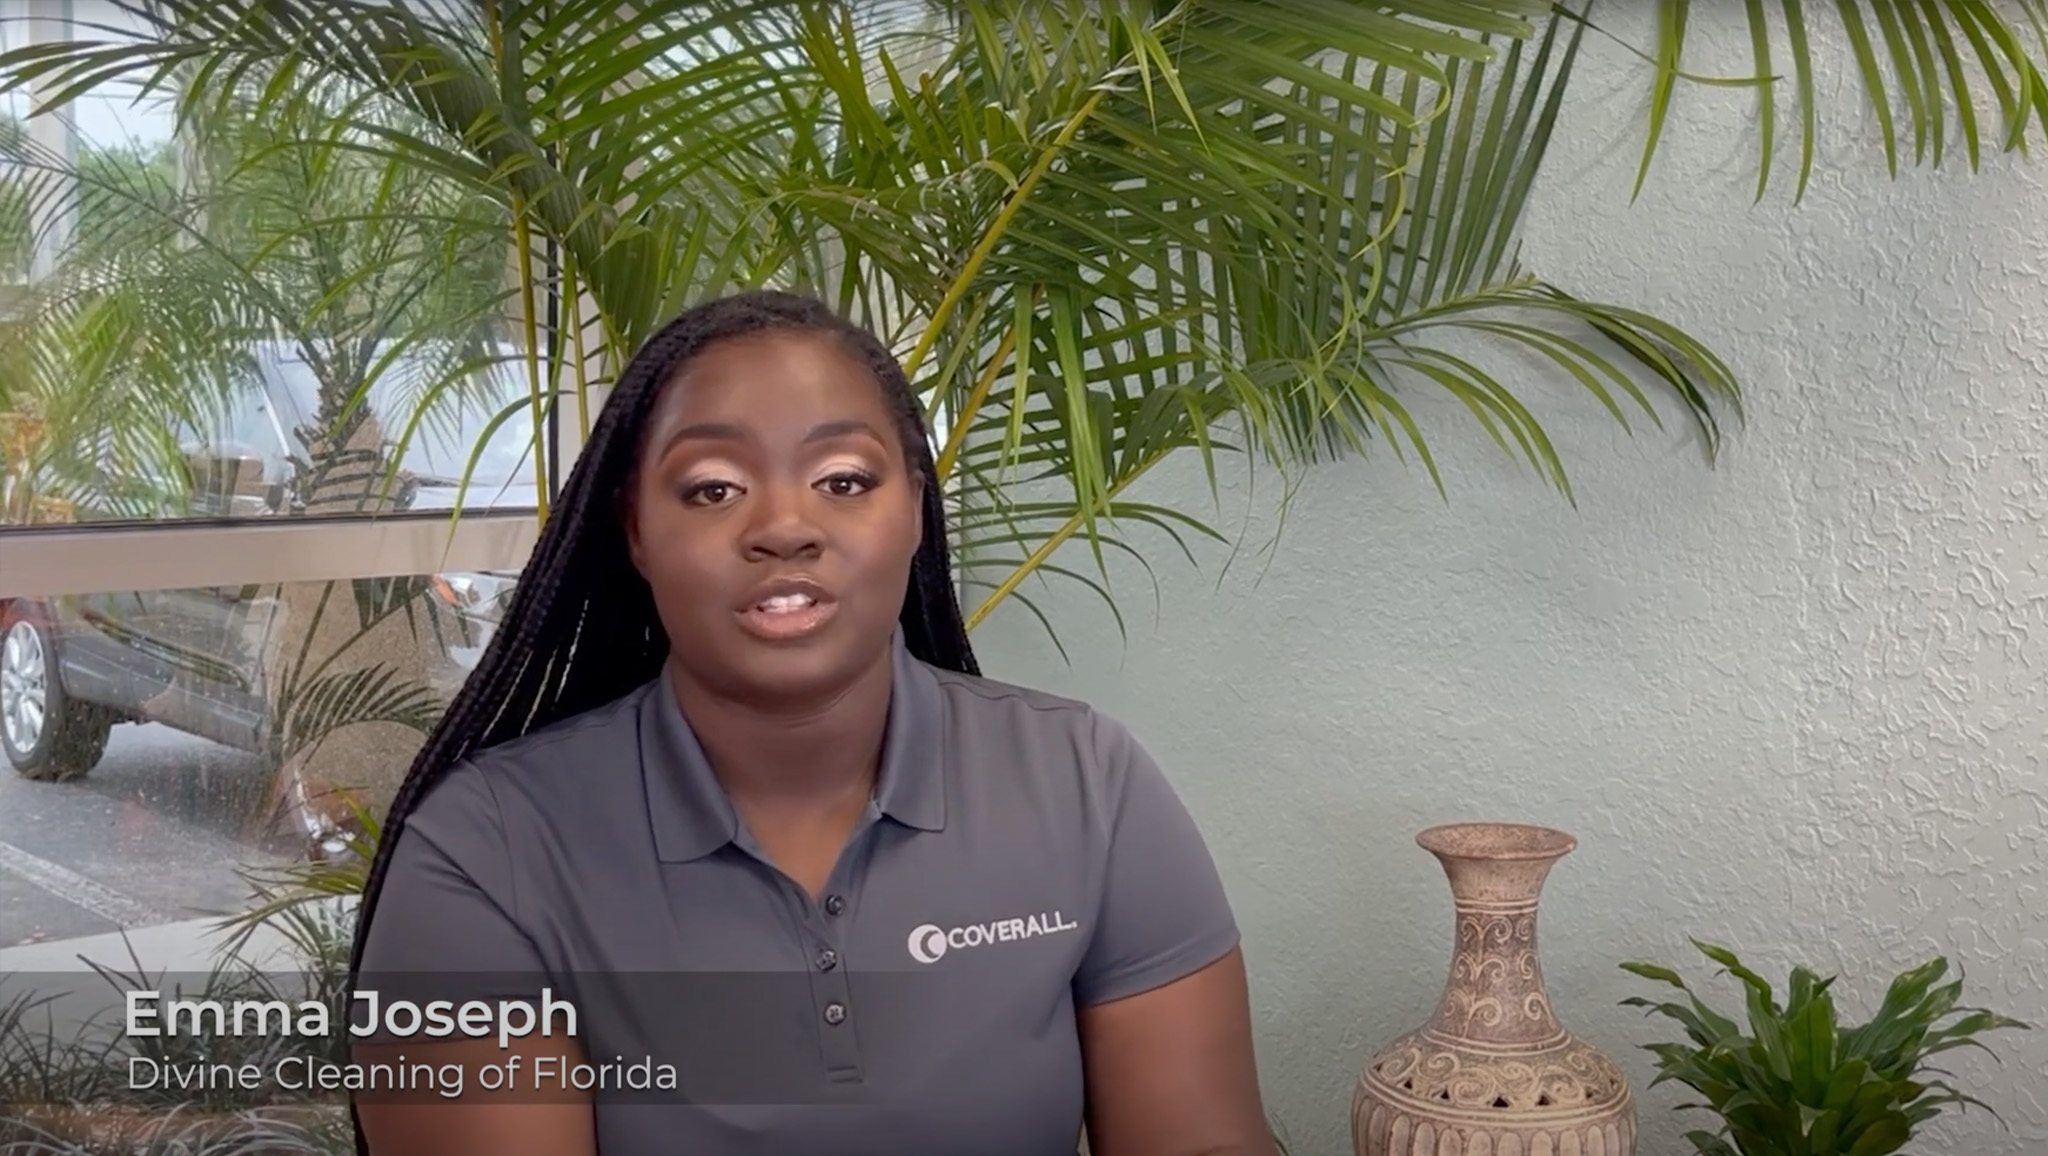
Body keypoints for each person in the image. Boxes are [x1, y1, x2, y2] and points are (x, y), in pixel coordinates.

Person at [346, 289, 1275, 1156]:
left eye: (842, 479)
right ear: (635, 530)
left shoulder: (1087, 784)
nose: (785, 526)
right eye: (712, 487)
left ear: (915, 507)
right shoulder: (485, 856)